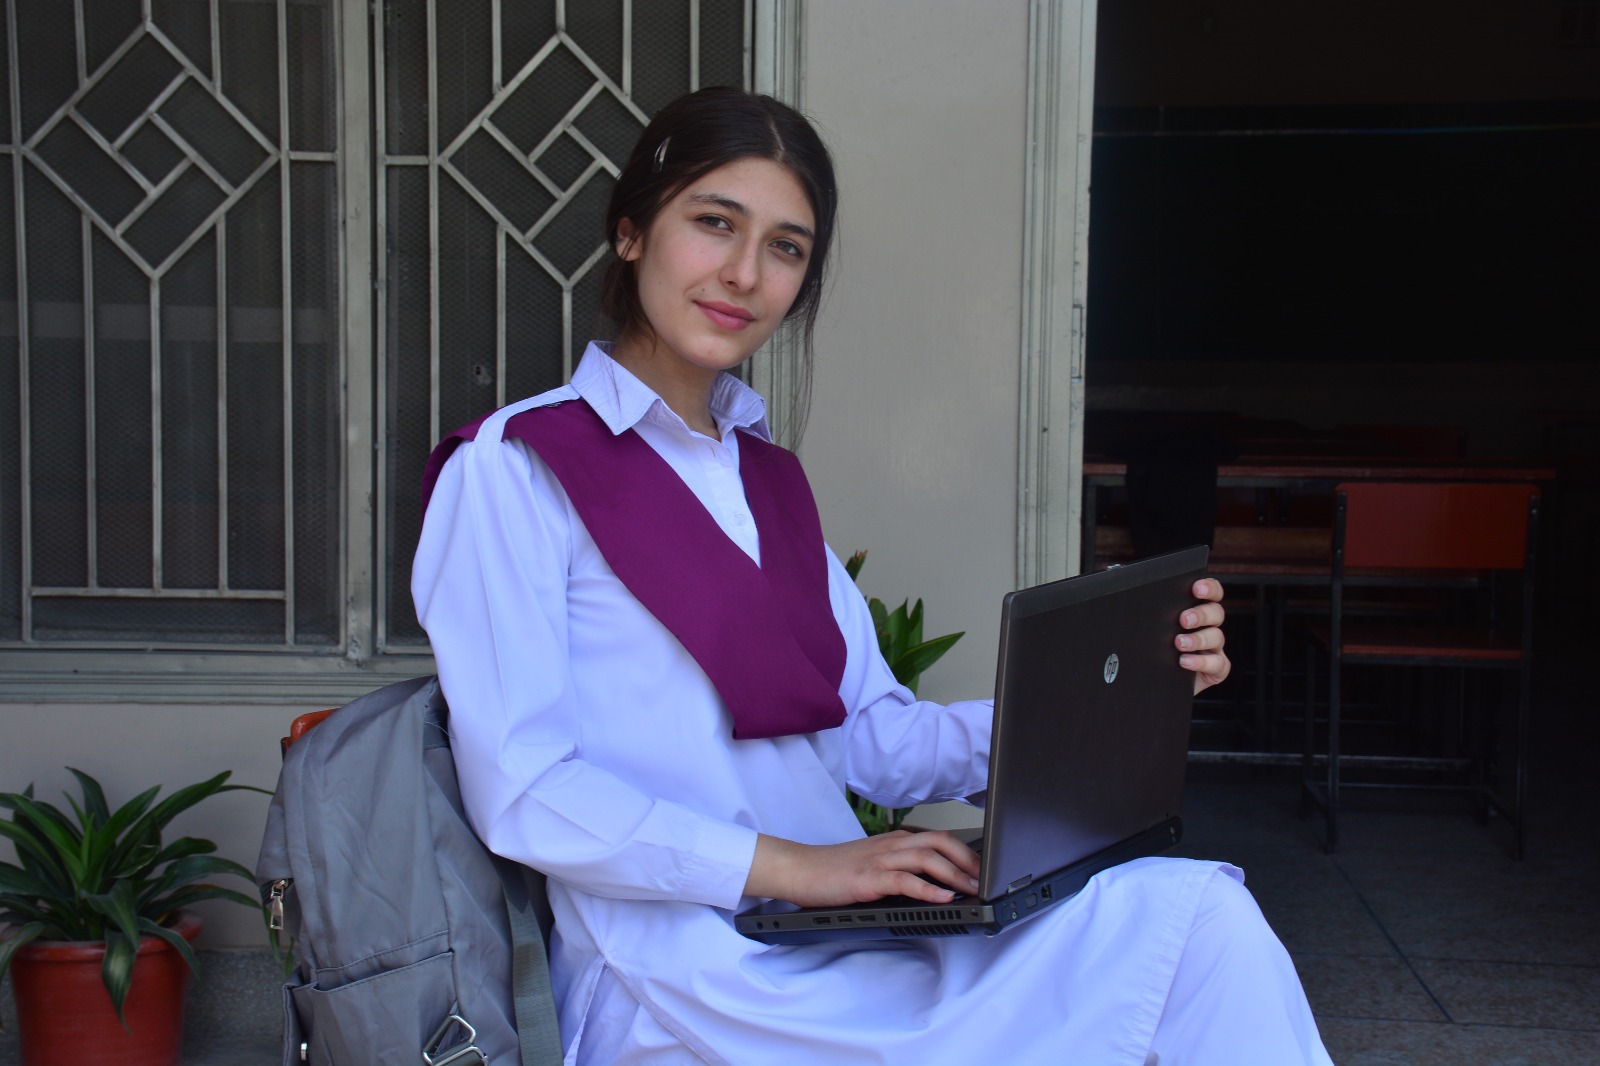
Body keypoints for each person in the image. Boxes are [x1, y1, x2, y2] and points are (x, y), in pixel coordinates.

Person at [413, 86, 1332, 1066]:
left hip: (841, 933)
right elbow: (522, 789)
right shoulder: (516, 469)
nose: (742, 273)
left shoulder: (763, 480)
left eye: (786, 246)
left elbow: (875, 742)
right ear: (631, 231)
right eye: (713, 223)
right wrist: (798, 866)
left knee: (1196, 919)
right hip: (682, 971)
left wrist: (1132, 687)